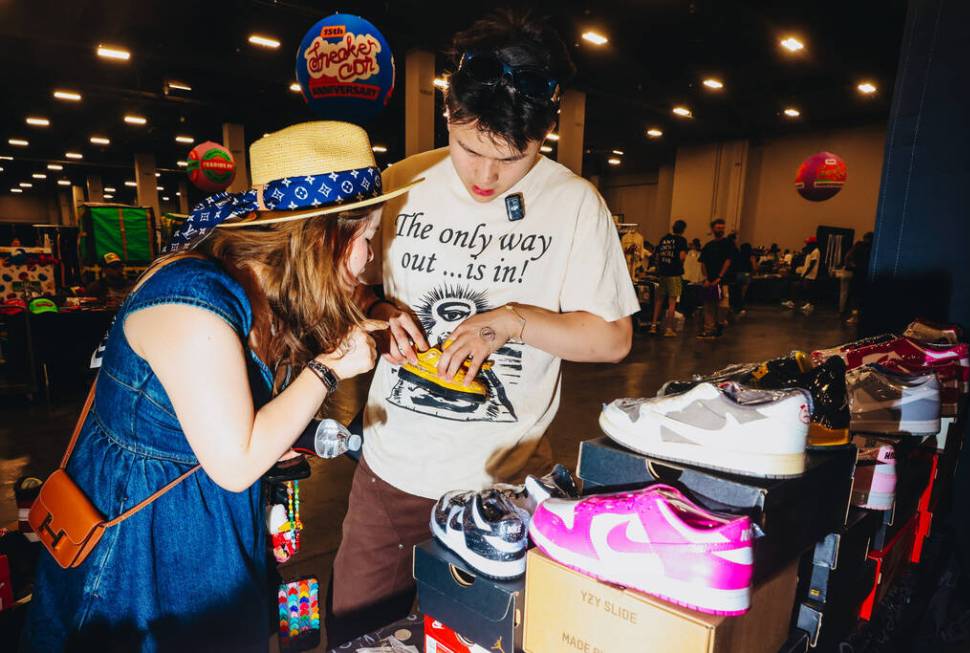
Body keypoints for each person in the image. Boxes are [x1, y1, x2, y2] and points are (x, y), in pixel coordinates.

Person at [22, 122, 410, 652]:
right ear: (318, 239)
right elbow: (235, 462)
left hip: (208, 525)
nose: (370, 257)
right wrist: (329, 368)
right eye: (365, 237)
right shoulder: (190, 300)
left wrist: (374, 308)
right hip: (144, 545)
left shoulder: (261, 287)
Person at [328, 10, 638, 643]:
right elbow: (348, 292)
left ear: (544, 135)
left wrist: (513, 323)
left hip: (501, 488)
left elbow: (612, 338)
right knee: (356, 631)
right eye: (471, 149)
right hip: (390, 475)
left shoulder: (576, 202)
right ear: (449, 112)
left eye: (514, 157)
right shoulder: (399, 183)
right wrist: (381, 313)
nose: (486, 177)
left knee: (479, 638)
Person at [698, 218, 737, 338]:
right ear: (713, 229)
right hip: (709, 281)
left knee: (724, 305)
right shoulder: (708, 246)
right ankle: (709, 329)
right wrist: (706, 278)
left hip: (722, 281)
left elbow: (728, 260)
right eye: (718, 227)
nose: (720, 229)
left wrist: (720, 276)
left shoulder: (728, 244)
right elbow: (703, 263)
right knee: (709, 306)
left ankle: (720, 324)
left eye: (722, 227)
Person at [650, 219, 688, 336]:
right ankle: (669, 329)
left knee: (659, 300)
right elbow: (682, 257)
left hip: (663, 273)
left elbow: (657, 256)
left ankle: (653, 326)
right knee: (672, 302)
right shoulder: (681, 240)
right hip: (674, 274)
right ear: (683, 230)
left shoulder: (664, 239)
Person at [782, 235, 821, 315]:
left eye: (808, 243)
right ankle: (794, 302)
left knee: (807, 289)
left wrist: (805, 273)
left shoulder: (816, 252)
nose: (807, 245)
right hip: (806, 274)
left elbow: (812, 264)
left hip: (810, 275)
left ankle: (809, 304)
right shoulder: (811, 251)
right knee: (800, 288)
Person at [843, 231, 873, 325]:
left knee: (855, 298)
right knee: (865, 298)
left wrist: (852, 266)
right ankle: (863, 317)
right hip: (869, 276)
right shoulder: (875, 249)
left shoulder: (858, 247)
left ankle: (855, 317)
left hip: (858, 275)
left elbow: (848, 258)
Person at [732, 242, 758, 316]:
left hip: (737, 274)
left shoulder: (737, 255)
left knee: (737, 291)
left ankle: (735, 306)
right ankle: (740, 307)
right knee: (743, 293)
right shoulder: (751, 256)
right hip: (746, 274)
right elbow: (754, 268)